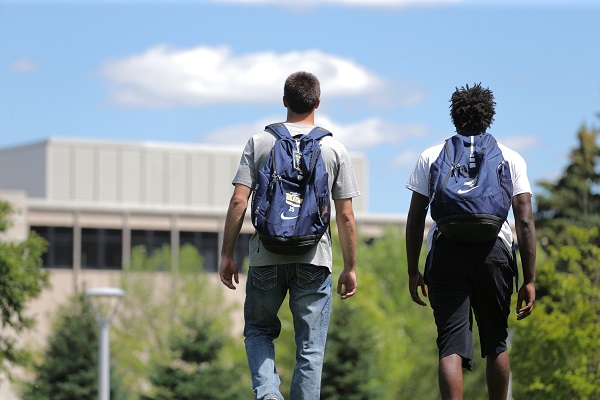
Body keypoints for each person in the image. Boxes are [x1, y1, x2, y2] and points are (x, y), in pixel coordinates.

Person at [219, 71, 360, 400]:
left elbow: (239, 200)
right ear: (318, 102)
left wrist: (227, 254)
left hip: (265, 256)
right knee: (311, 348)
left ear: (284, 101)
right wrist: (350, 267)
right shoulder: (334, 148)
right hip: (314, 259)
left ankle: (268, 395)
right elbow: (346, 215)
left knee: (258, 330)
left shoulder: (260, 142)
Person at [405, 83, 536, 400]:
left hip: (447, 252)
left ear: (454, 117)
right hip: (495, 253)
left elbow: (415, 218)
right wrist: (530, 279)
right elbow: (525, 220)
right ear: (489, 116)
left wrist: (413, 270)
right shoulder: (510, 157)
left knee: (450, 345)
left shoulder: (431, 155)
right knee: (496, 343)